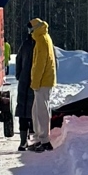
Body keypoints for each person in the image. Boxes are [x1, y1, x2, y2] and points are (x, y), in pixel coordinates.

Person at [28, 17, 58, 150]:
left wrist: (35, 82)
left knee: (41, 111)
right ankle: (40, 137)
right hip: (45, 80)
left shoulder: (41, 40)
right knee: (37, 110)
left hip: (43, 81)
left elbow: (40, 64)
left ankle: (44, 140)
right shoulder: (45, 38)